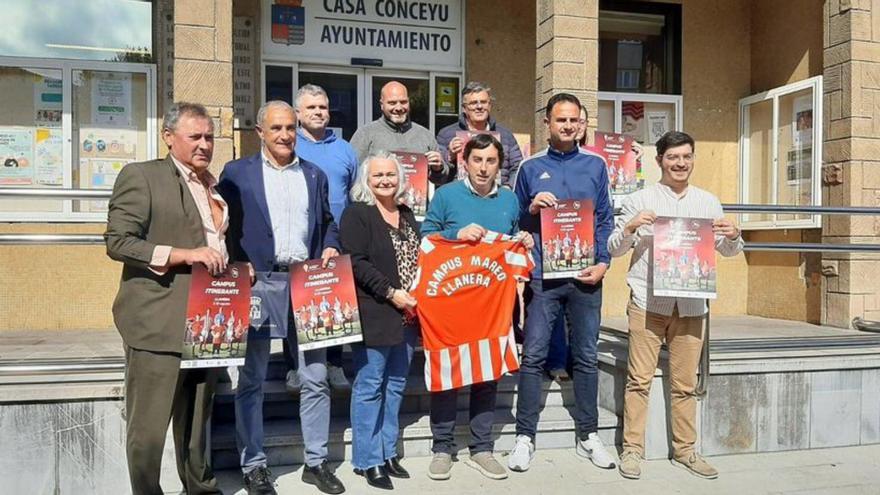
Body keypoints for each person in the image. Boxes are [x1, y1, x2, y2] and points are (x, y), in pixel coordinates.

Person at [218, 100, 343, 495]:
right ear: (260, 132)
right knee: (252, 379)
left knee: (316, 377)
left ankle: (316, 461)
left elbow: (326, 223)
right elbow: (223, 227)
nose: (285, 135)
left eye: (290, 128)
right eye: (276, 129)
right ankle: (254, 465)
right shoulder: (236, 174)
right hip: (258, 283)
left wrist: (330, 247)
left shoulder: (314, 174)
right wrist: (238, 263)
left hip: (306, 283)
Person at [105, 101, 226, 495]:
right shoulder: (142, 176)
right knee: (149, 431)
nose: (205, 144)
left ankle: (200, 488)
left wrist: (236, 268)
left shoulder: (213, 186)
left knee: (196, 427)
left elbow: (212, 246)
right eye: (195, 137)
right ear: (169, 137)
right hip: (157, 322)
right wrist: (183, 255)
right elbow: (119, 241)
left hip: (206, 325)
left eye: (209, 137)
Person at [607, 131, 743, 481]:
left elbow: (727, 253)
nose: (680, 163)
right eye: (673, 158)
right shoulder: (640, 199)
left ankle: (685, 450)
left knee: (685, 383)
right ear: (659, 162)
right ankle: (632, 451)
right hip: (648, 302)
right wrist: (631, 228)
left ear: (693, 159)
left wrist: (734, 235)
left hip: (692, 306)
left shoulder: (708, 202)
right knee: (638, 381)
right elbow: (613, 249)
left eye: (686, 157)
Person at [509, 93, 616, 472]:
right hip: (543, 279)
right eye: (561, 120)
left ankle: (589, 435)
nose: (568, 126)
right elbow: (516, 221)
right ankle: (524, 436)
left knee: (586, 357)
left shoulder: (596, 165)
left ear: (582, 123)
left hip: (587, 276)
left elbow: (605, 218)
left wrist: (604, 262)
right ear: (548, 123)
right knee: (534, 355)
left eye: (574, 120)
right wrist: (531, 210)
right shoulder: (529, 167)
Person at [420, 133, 534, 481]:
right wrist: (455, 235)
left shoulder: (510, 200)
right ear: (464, 162)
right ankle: (442, 447)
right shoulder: (445, 195)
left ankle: (481, 448)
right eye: (477, 160)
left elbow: (513, 241)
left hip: (491, 305)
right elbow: (425, 238)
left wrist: (524, 241)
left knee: (486, 373)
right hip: (451, 303)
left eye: (491, 161)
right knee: (447, 372)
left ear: (500, 164)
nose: (484, 168)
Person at [339, 152, 420, 491]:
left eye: (390, 175)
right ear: (365, 181)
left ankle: (388, 452)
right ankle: (368, 459)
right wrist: (391, 292)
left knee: (397, 384)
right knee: (371, 385)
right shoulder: (357, 214)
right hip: (376, 310)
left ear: (400, 179)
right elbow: (356, 263)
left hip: (408, 315)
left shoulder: (407, 214)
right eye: (377, 176)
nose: (385, 180)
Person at [291, 83, 360, 391]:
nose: (318, 112)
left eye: (322, 107)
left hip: (338, 240)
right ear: (298, 113)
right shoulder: (290, 144)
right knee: (300, 304)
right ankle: (296, 365)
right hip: (301, 237)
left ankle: (334, 364)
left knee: (335, 302)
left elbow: (357, 194)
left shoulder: (344, 149)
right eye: (311, 108)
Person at [350, 80, 450, 183]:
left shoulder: (425, 135)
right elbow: (352, 174)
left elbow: (440, 180)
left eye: (403, 102)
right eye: (392, 103)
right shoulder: (365, 134)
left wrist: (438, 168)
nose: (398, 108)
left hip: (415, 197)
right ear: (382, 104)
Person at [435, 81, 524, 187]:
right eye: (473, 103)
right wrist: (449, 156)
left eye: (483, 102)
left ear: (489, 105)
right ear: (464, 108)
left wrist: (509, 187)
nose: (479, 106)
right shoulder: (446, 135)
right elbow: (437, 177)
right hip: (460, 200)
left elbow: (518, 167)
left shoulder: (505, 135)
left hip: (497, 198)